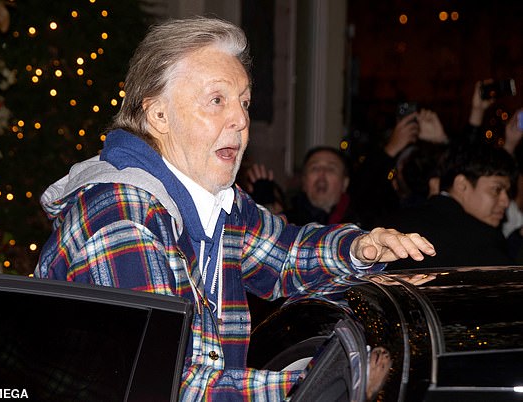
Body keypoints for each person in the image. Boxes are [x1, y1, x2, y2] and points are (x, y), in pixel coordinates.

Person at [34, 16, 435, 400]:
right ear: (158, 115)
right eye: (216, 100)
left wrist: (360, 247)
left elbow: (285, 258)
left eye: (243, 101)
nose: (240, 119)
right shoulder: (120, 216)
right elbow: (164, 387)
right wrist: (327, 381)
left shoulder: (215, 203)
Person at [384, 142, 516, 270]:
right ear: (461, 184)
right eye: (497, 189)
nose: (505, 201)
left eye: (508, 192)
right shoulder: (481, 240)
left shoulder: (393, 222)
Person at [285, 146, 359, 226]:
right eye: (315, 168)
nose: (321, 174)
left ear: (345, 183)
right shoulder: (284, 226)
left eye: (331, 169)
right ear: (304, 181)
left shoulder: (365, 229)